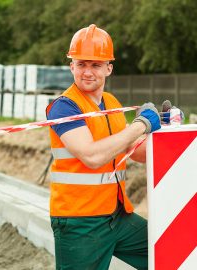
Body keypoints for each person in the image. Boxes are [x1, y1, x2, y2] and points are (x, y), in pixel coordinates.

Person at [46, 24, 161, 270]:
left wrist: (169, 132)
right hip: (80, 222)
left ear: (108, 68)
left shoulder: (111, 103)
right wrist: (141, 125)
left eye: (95, 65)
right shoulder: (64, 107)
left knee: (167, 251)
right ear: (72, 66)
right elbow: (92, 156)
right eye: (81, 64)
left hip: (116, 216)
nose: (87, 72)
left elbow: (136, 152)